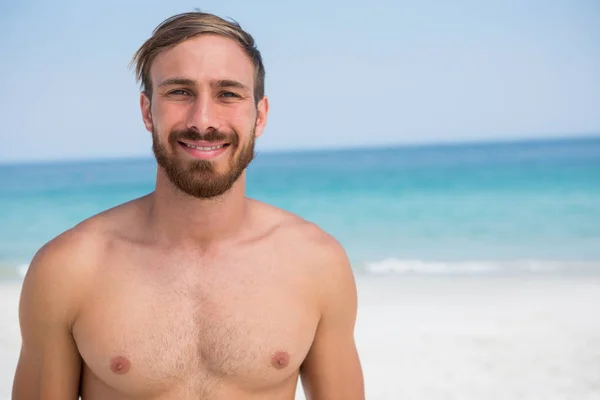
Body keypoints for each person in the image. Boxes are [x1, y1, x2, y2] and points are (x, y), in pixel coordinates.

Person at [11, 11, 364, 400]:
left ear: (259, 115)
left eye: (228, 93)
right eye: (179, 92)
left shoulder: (316, 263)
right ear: (148, 111)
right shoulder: (68, 269)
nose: (203, 119)